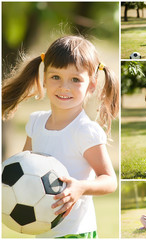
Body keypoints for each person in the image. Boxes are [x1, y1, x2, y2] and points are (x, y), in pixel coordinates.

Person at [2, 35, 119, 237]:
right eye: (56, 77)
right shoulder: (36, 122)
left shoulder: (85, 131)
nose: (64, 87)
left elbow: (109, 181)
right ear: (44, 78)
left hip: (75, 232)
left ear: (91, 84)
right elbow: (24, 170)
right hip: (42, 230)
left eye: (75, 79)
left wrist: (81, 187)